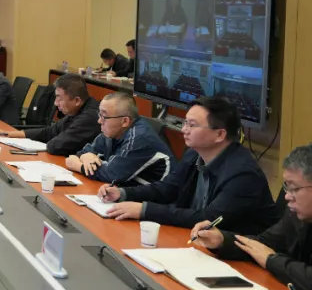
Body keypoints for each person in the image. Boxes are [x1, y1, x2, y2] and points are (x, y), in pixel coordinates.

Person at [98, 96, 277, 232]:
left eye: (192, 125)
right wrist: (123, 193)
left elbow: (208, 219)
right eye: (185, 123)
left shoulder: (243, 174)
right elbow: (167, 189)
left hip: (237, 255)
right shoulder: (193, 154)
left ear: (220, 134)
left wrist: (145, 210)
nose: (184, 130)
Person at [192, 145, 312, 290]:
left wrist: (271, 260)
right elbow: (262, 245)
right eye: (286, 187)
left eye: (294, 188)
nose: (287, 196)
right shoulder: (295, 214)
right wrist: (222, 240)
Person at [64, 92, 172, 183]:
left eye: (104, 116)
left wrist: (78, 166)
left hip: (154, 198)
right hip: (126, 191)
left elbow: (111, 175)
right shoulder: (112, 132)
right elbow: (84, 153)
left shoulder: (139, 138)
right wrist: (85, 156)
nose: (99, 121)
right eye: (99, 114)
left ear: (125, 121)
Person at [0, 74, 101, 157]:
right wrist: (10, 134)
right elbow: (49, 131)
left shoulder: (90, 117)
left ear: (76, 100)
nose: (55, 103)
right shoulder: (77, 109)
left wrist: (53, 140)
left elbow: (56, 146)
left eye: (59, 98)